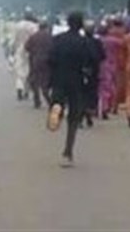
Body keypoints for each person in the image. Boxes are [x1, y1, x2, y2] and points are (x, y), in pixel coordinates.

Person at [47, 12, 92, 168]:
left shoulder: (57, 40)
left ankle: (57, 109)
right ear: (81, 25)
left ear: (67, 23)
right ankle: (68, 151)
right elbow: (90, 62)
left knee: (58, 100)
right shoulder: (84, 42)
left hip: (59, 79)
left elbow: (50, 59)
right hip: (76, 82)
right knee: (73, 117)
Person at [82, 20, 106, 127]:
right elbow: (102, 56)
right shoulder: (97, 42)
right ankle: (89, 113)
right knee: (91, 93)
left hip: (81, 70)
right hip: (93, 71)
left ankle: (81, 115)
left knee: (81, 93)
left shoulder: (80, 41)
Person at [25, 20, 53, 110]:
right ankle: (49, 100)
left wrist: (34, 52)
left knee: (35, 81)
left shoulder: (33, 36)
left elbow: (27, 47)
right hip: (47, 61)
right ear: (46, 28)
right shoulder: (50, 37)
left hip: (35, 60)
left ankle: (37, 100)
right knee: (45, 81)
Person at [12, 10, 39, 101]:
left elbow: (15, 39)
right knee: (29, 71)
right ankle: (26, 91)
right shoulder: (34, 26)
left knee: (19, 72)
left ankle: (19, 88)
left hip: (19, 49)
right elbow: (35, 39)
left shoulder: (18, 25)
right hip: (31, 50)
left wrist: (13, 49)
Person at [98, 19, 119, 119]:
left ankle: (100, 107)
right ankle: (108, 107)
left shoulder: (98, 41)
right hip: (112, 64)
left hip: (100, 65)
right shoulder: (113, 41)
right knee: (110, 87)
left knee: (101, 88)